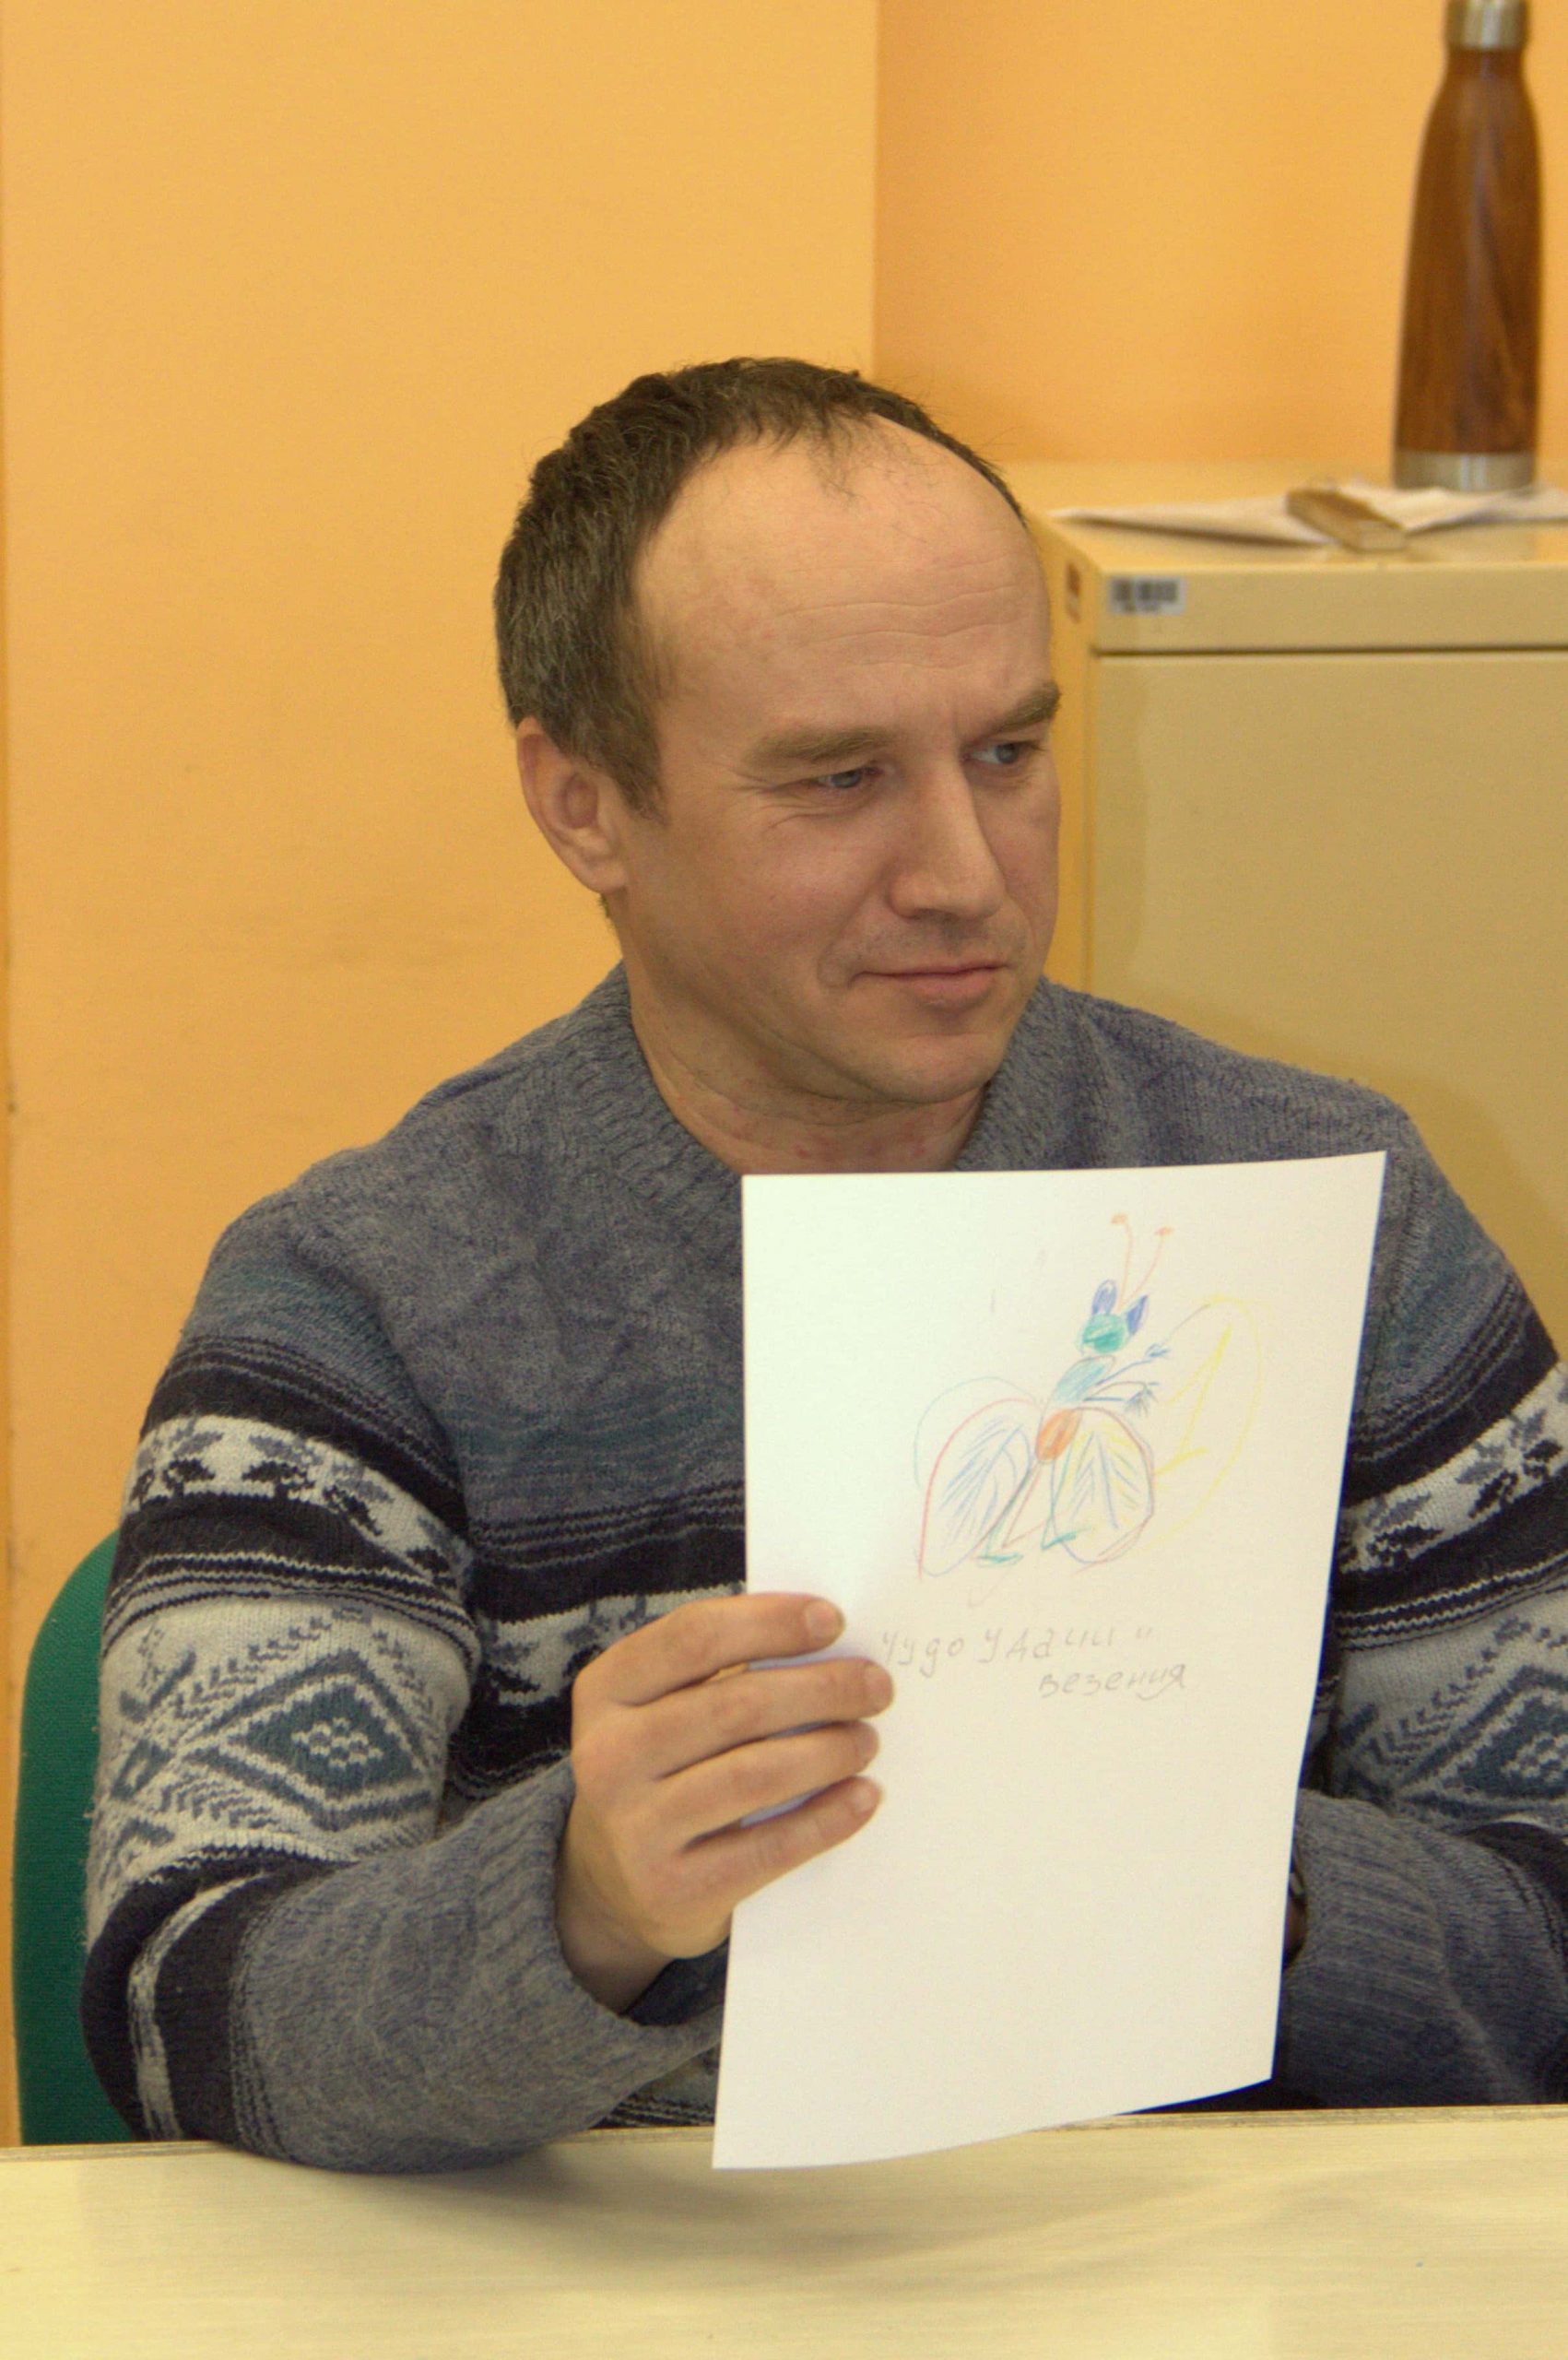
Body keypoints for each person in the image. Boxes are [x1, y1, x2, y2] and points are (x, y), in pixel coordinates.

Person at [83, 360, 1568, 2170]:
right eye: (838, 778)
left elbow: (1548, 1925)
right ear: (583, 807)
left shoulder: (1330, 1214)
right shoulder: (365, 1304)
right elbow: (190, 2015)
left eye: (1007, 753)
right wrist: (582, 1901)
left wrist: (1238, 1886)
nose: (964, 872)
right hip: (604, 2274)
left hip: (1210, 2263)